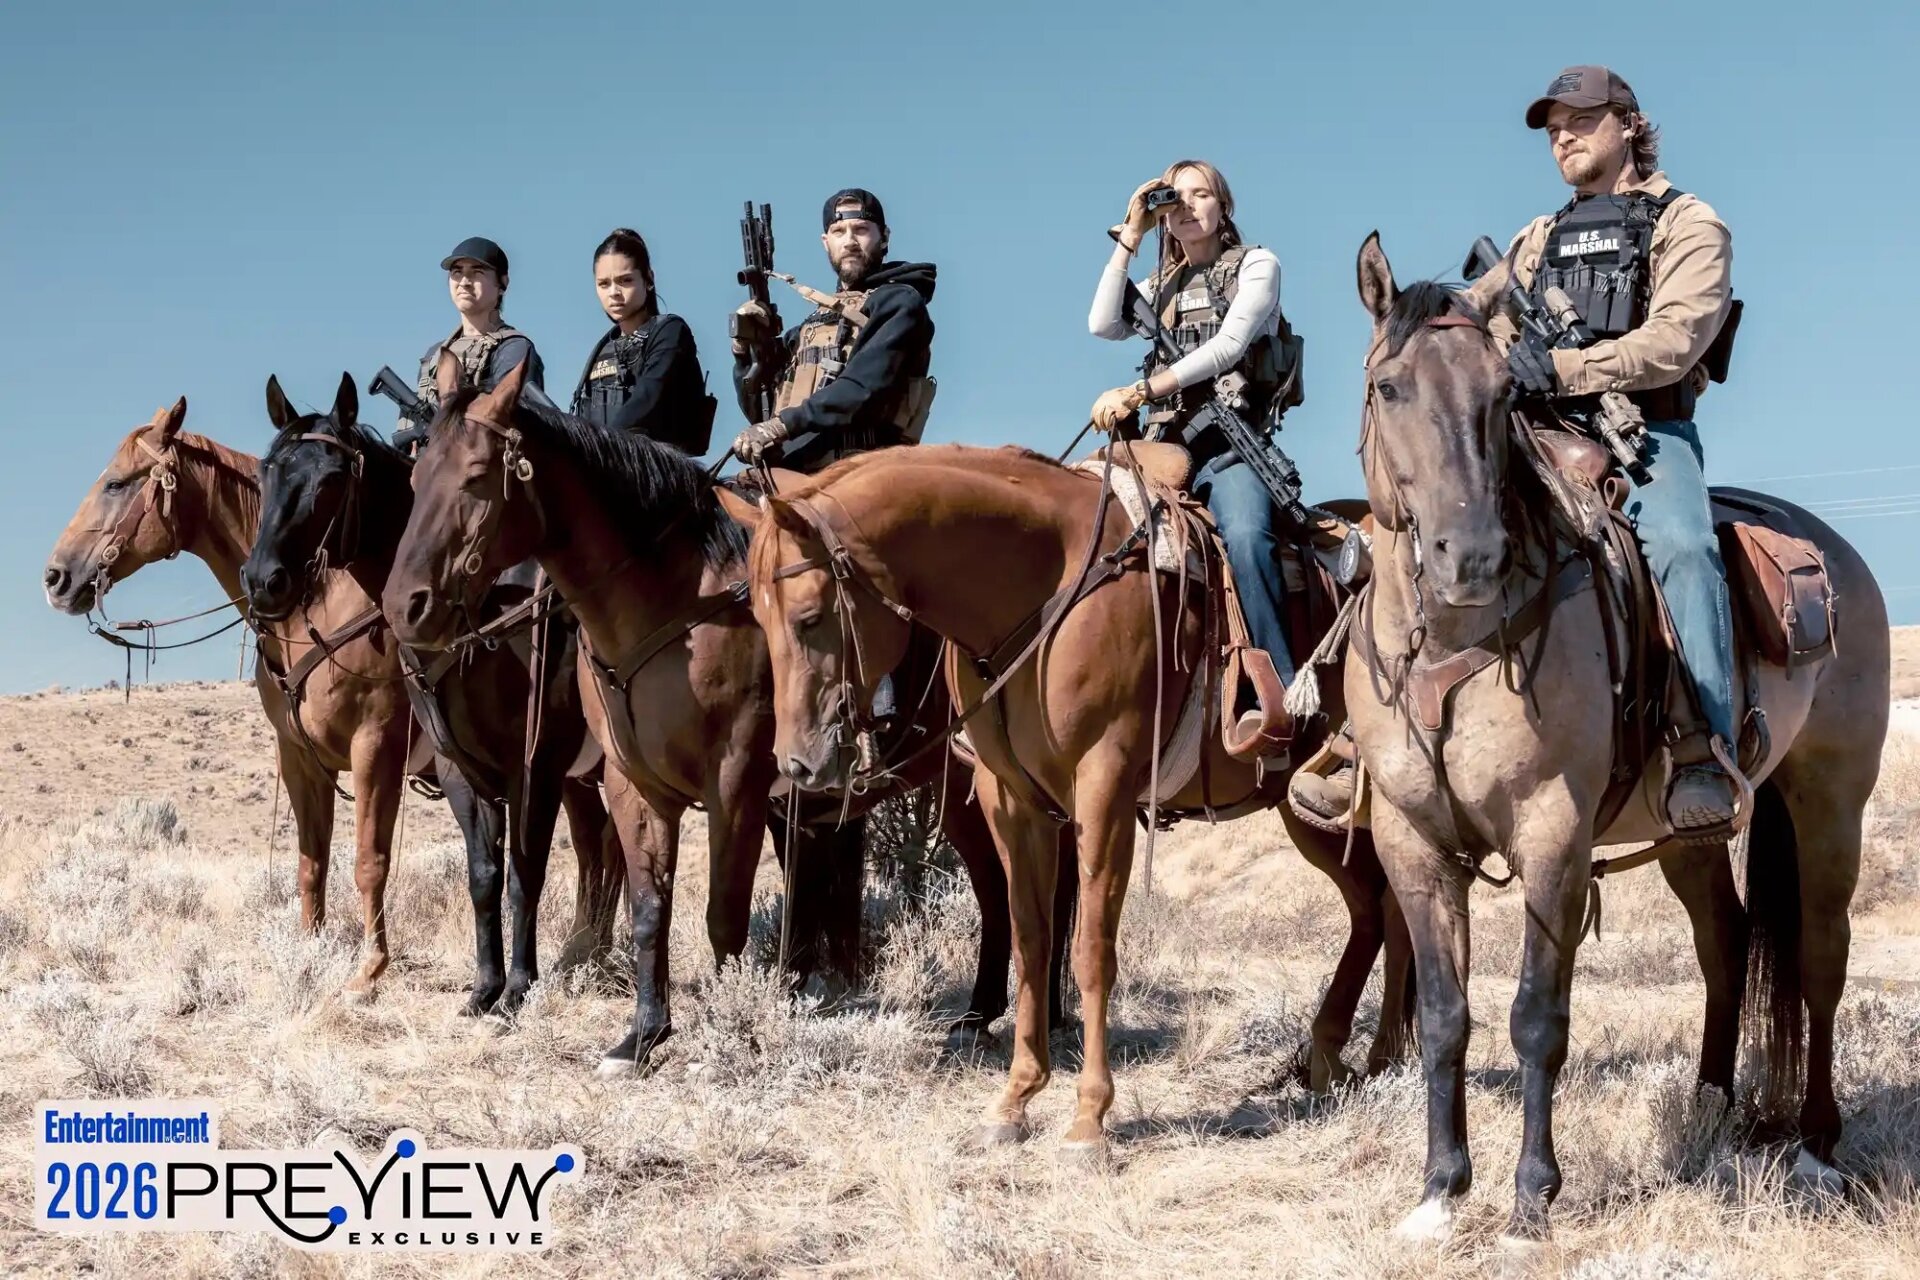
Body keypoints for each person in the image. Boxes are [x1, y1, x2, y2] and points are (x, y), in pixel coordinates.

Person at [1297, 66, 1745, 837]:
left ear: (1630, 124)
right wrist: (1497, 354)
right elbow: (1489, 336)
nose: (1564, 137)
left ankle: (1702, 740)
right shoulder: (1534, 239)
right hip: (1534, 429)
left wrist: (1565, 367)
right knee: (1422, 515)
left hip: (1643, 433)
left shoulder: (1688, 222)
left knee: (1681, 544)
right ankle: (1364, 733)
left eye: (1583, 120)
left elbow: (1676, 340)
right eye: (1554, 128)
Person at [1086, 159, 1304, 762]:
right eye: (1172, 200)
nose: (1185, 207)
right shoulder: (1159, 285)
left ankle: (1278, 699)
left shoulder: (1256, 265)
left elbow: (1229, 347)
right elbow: (1101, 323)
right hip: (1160, 450)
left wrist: (1140, 391)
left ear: (1222, 205)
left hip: (1229, 449)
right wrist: (1131, 235)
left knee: (1247, 537)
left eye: (1199, 194)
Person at [728, 188, 937, 472]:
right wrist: (746, 348)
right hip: (792, 469)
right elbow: (761, 412)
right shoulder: (809, 328)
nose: (849, 241)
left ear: (884, 237)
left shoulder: (899, 303)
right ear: (826, 242)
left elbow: (862, 387)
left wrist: (781, 426)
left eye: (861, 230)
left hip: (861, 469)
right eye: (839, 232)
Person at [569, 228, 715, 454]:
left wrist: (600, 446)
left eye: (625, 280)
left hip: (659, 468)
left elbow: (647, 397)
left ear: (648, 279)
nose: (614, 292)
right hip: (601, 467)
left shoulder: (669, 332)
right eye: (604, 284)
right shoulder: (603, 348)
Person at [400, 236, 549, 446]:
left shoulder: (513, 349)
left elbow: (515, 430)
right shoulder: (435, 354)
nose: (464, 282)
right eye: (457, 272)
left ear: (502, 283)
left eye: (477, 272)